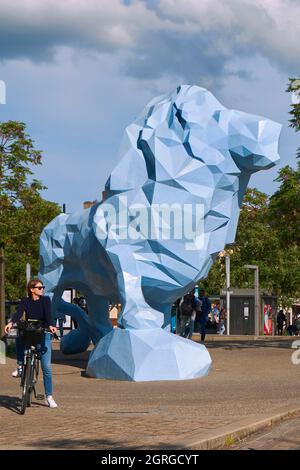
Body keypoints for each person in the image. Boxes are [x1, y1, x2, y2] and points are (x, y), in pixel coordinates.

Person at [4, 279, 58, 408]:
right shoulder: (25, 301)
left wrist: (51, 326)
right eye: (39, 288)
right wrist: (11, 323)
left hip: (42, 332)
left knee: (47, 367)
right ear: (32, 289)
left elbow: (48, 316)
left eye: (42, 287)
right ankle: (20, 366)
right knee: (19, 337)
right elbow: (18, 313)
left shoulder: (45, 301)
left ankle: (49, 396)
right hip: (30, 331)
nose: (42, 289)